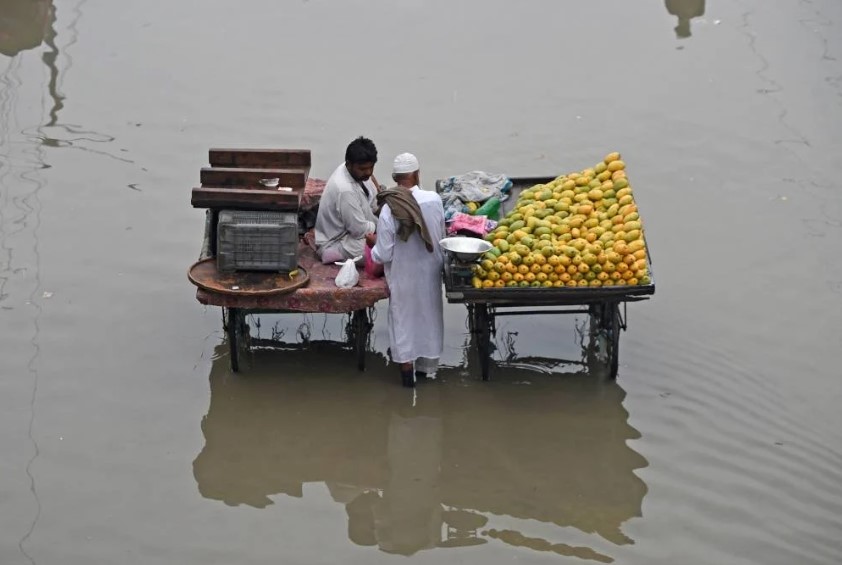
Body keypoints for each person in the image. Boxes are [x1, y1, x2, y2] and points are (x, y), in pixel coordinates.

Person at [370, 153, 445, 388]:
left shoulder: (388, 208)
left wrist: (370, 250)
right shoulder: (434, 200)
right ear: (417, 174)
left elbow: (383, 254)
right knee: (428, 318)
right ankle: (424, 373)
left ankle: (406, 380)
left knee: (404, 323)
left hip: (403, 276)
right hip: (430, 273)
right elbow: (440, 236)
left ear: (395, 178)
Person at [314, 136, 381, 264]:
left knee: (388, 244)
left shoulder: (360, 175)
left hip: (355, 231)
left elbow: (373, 202)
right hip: (337, 242)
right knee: (386, 252)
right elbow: (358, 230)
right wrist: (381, 228)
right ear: (349, 164)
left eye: (371, 167)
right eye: (362, 169)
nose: (368, 172)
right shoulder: (345, 190)